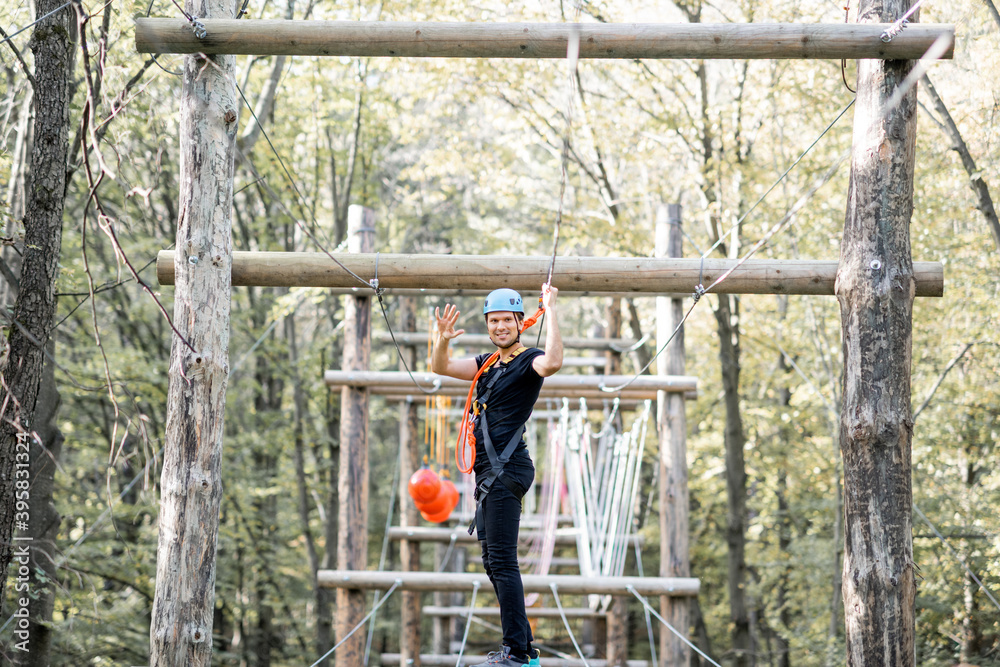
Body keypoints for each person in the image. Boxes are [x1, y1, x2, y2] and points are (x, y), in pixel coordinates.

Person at [432, 284, 562, 667]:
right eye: (494, 321)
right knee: (493, 560)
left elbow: (552, 363)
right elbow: (440, 367)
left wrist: (551, 310)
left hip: (507, 469)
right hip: (490, 473)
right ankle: (523, 645)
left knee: (503, 561)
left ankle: (517, 653)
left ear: (521, 322)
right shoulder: (487, 363)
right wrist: (442, 340)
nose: (501, 326)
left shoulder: (529, 360)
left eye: (507, 320)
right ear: (487, 325)